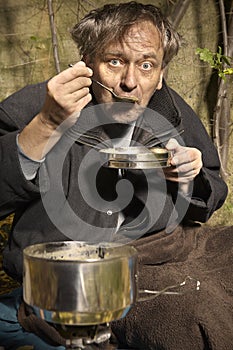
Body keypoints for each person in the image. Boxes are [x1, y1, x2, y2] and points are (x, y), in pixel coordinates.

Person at [0, 1, 232, 349]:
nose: (129, 82)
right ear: (88, 62)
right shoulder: (37, 106)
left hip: (164, 252)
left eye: (147, 65)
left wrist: (190, 176)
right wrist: (47, 124)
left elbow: (213, 189)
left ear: (160, 73)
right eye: (115, 61)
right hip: (73, 273)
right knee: (192, 315)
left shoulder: (170, 111)